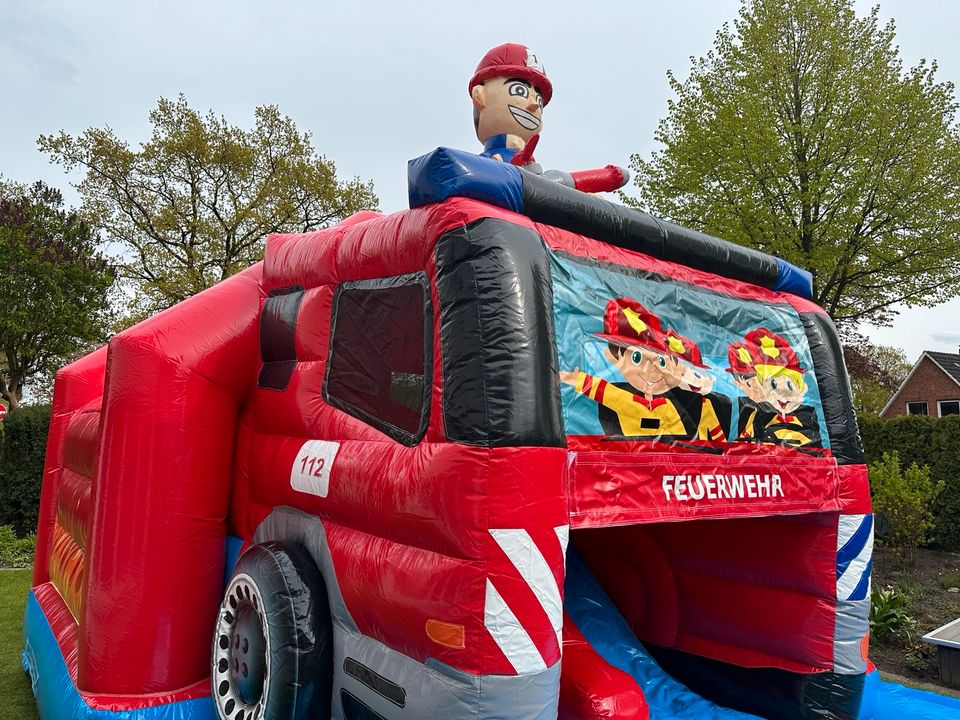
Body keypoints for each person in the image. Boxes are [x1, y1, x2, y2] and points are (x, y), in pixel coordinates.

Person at [559, 298, 691, 440]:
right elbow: (602, 389)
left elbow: (683, 437)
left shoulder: (668, 406)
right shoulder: (624, 399)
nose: (651, 369)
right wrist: (576, 379)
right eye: (637, 358)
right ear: (613, 356)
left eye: (660, 362)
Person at [468, 43, 550, 165]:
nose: (534, 104)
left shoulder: (532, 166)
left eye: (539, 100)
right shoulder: (478, 166)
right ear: (480, 95)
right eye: (519, 90)